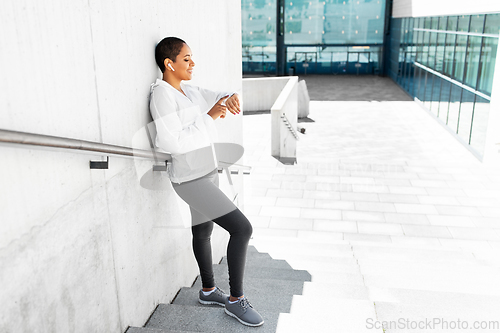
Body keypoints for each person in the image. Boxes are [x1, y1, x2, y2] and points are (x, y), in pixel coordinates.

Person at [149, 37, 264, 327]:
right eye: (186, 59)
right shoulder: (162, 95)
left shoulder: (186, 89)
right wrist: (210, 117)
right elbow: (170, 142)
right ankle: (236, 300)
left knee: (203, 232)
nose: (192, 63)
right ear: (169, 63)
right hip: (190, 178)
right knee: (242, 228)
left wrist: (231, 97)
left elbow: (217, 94)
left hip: (206, 171)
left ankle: (208, 290)